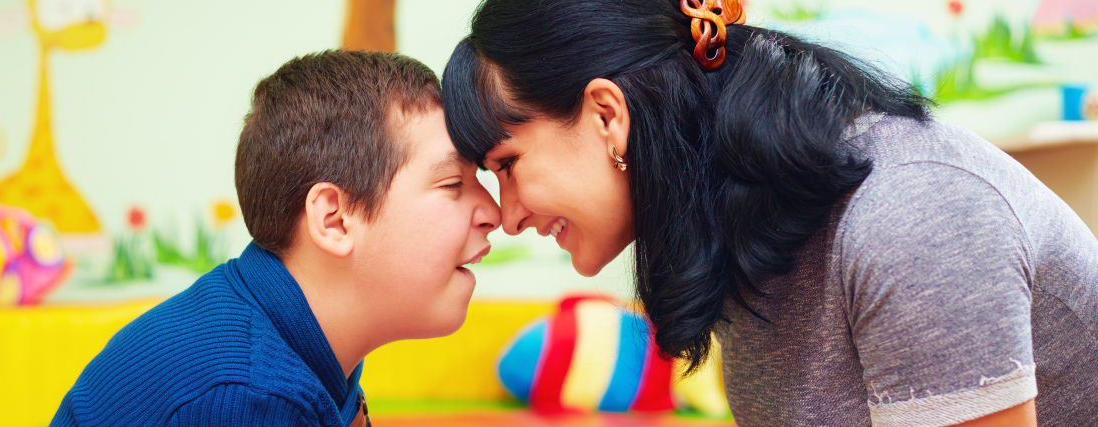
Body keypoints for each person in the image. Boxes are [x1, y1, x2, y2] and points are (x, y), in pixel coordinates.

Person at [439, 0, 1097, 426]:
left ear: (608, 116)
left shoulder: (910, 213)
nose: (508, 215)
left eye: (507, 164)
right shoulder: (742, 225)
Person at [51, 50, 500, 427]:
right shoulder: (250, 395)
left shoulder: (293, 340)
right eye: (451, 184)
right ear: (334, 219)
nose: (494, 213)